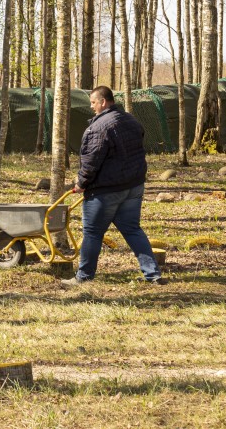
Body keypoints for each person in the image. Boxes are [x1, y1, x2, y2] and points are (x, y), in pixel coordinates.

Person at [61, 86, 165, 286]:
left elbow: (91, 160)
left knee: (92, 233)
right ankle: (153, 274)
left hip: (106, 191)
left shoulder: (99, 127)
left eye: (93, 102)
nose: (91, 107)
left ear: (102, 102)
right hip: (133, 187)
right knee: (133, 229)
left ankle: (84, 276)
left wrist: (81, 183)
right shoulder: (130, 120)